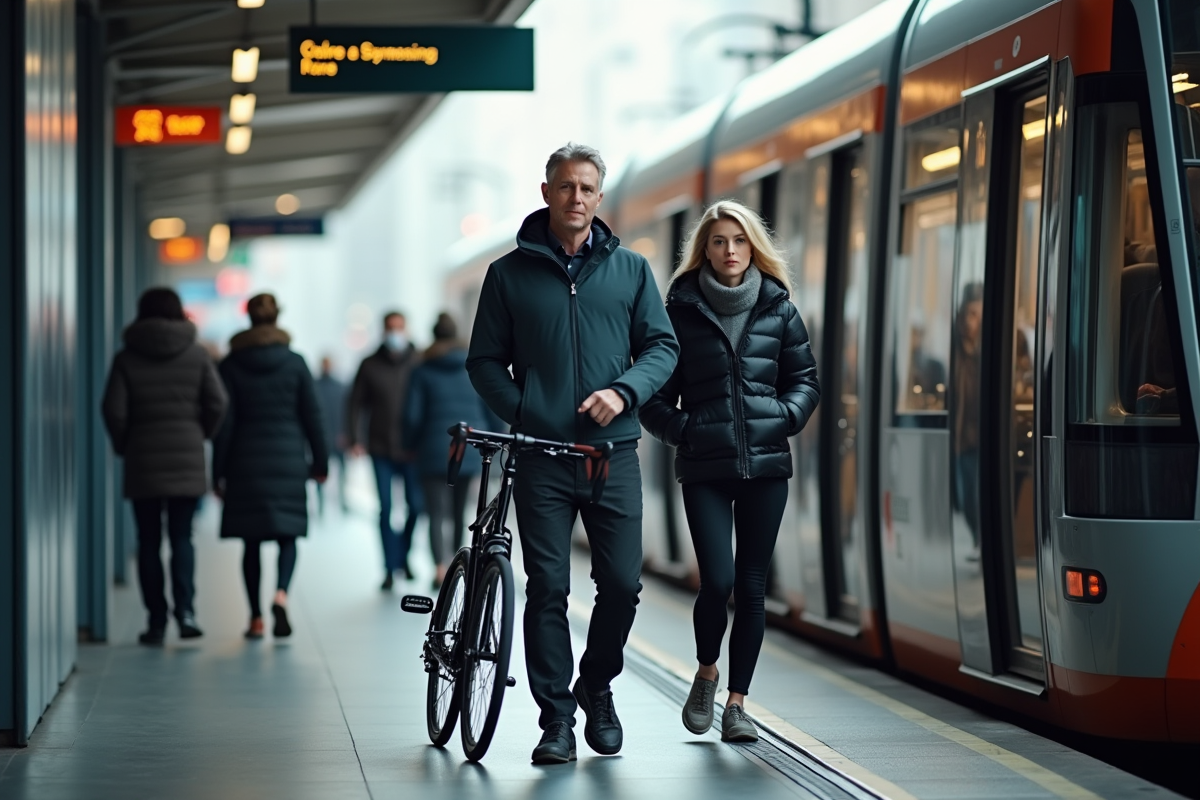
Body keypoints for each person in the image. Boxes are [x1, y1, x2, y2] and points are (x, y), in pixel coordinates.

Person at [468, 143, 679, 764]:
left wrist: (625, 391)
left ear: (599, 197)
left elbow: (661, 349)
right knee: (548, 590)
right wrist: (529, 411)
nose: (576, 198)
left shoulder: (633, 271)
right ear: (546, 193)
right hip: (542, 459)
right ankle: (557, 718)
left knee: (622, 585)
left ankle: (597, 685)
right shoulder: (508, 275)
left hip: (612, 455)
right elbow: (484, 362)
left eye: (587, 188)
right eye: (566, 187)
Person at [641, 199, 820, 743]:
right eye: (718, 242)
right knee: (716, 580)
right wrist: (683, 430)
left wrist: (783, 417)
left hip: (766, 468)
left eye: (739, 241)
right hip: (705, 468)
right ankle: (706, 672)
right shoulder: (680, 311)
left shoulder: (779, 310)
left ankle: (737, 704)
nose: (730, 251)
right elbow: (652, 396)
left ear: (753, 247)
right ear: (705, 249)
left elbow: (805, 382)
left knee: (752, 586)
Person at [101, 288, 228, 645]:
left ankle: (156, 621)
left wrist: (126, 443)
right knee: (182, 537)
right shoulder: (197, 355)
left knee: (148, 541)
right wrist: (199, 432)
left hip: (143, 457)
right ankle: (186, 612)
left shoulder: (126, 358)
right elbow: (218, 402)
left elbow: (113, 409)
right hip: (186, 455)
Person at [213, 294, 328, 639]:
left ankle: (255, 617)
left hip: (244, 462)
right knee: (287, 535)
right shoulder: (295, 362)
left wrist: (217, 471)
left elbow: (225, 423)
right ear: (278, 317)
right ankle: (281, 594)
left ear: (248, 318)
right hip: (289, 460)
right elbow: (313, 416)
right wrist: (319, 462)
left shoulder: (231, 365)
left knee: (251, 543)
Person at [403, 313, 505, 589]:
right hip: (470, 447)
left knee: (436, 512)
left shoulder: (422, 370)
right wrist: (502, 437)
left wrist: (409, 446)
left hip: (434, 449)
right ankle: (457, 565)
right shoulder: (473, 367)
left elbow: (412, 416)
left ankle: (438, 569)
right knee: (461, 512)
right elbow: (492, 406)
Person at [348, 311, 424, 590]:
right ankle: (390, 567)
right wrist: (355, 437)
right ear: (383, 331)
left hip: (413, 449)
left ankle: (402, 556)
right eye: (391, 328)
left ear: (407, 329)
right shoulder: (369, 364)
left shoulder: (419, 362)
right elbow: (355, 403)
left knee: (416, 507)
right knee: (385, 509)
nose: (395, 334)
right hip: (380, 448)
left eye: (400, 328)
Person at [314, 356, 349, 514]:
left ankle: (342, 500)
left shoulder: (340, 387)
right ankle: (322, 504)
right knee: (321, 472)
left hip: (337, 436)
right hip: (323, 436)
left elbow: (347, 413)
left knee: (341, 472)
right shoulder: (315, 386)